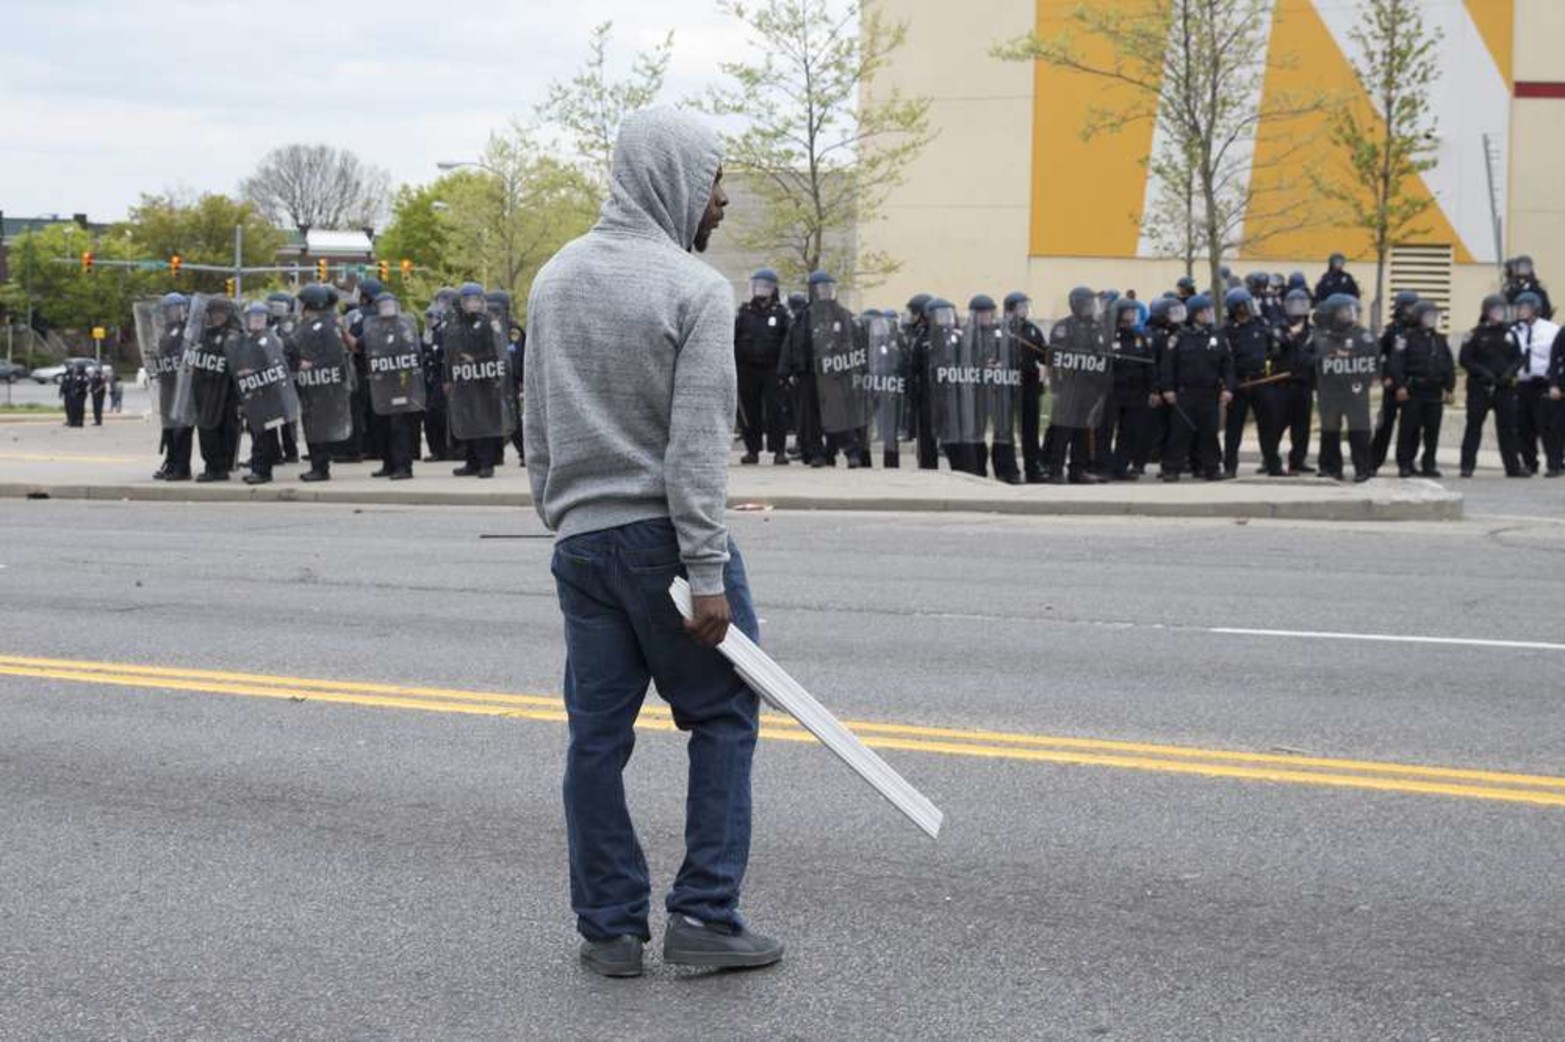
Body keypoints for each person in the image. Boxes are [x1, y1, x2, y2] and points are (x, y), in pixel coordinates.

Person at [524, 106, 781, 978]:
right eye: (713, 179)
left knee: (596, 738)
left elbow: (535, 421)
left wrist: (558, 514)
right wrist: (705, 569)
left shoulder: (555, 277)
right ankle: (705, 914)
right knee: (721, 717)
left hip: (582, 546)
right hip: (666, 548)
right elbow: (696, 448)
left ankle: (608, 930)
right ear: (674, 177)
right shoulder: (693, 288)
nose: (720, 198)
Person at [780, 271, 865, 467]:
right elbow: (791, 345)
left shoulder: (843, 316)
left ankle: (851, 452)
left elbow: (854, 341)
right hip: (810, 374)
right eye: (821, 289)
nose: (826, 293)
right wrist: (787, 372)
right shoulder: (803, 318)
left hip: (835, 373)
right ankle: (816, 453)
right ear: (812, 290)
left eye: (829, 288)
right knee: (811, 418)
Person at [1158, 294, 1232, 481]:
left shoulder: (1218, 336)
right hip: (1184, 392)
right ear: (1193, 314)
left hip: (1209, 392)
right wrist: (1168, 389)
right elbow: (1167, 365)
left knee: (1209, 432)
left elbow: (1228, 365)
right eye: (1204, 312)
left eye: (1209, 311)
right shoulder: (1179, 337)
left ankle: (1212, 468)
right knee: (1180, 432)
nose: (1208, 315)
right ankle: (1172, 468)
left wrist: (1228, 388)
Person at [1045, 286, 1113, 484]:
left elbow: (1104, 358)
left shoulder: (1099, 328)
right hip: (1069, 387)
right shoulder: (1064, 327)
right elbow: (1054, 359)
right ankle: (1055, 470)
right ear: (1077, 304)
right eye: (1089, 303)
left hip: (1090, 388)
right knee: (1063, 430)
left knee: (1083, 430)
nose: (1092, 307)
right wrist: (1056, 388)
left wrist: (1101, 387)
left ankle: (1078, 470)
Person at [446, 282, 513, 478]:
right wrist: (448, 377)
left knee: (485, 422)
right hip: (466, 379)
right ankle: (472, 461)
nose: (472, 304)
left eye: (476, 300)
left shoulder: (490, 323)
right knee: (469, 420)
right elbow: (451, 354)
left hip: (486, 379)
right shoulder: (458, 325)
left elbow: (498, 352)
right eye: (468, 300)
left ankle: (486, 463)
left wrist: (476, 359)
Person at [288, 284, 354, 483]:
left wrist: (312, 365)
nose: (301, 308)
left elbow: (334, 356)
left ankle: (320, 468)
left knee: (319, 426)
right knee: (311, 425)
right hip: (310, 384)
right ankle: (316, 465)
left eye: (304, 303)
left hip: (322, 385)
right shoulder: (311, 324)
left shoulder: (326, 326)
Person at [232, 301, 300, 486]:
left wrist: (252, 373)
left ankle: (263, 472)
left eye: (259, 318)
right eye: (252, 318)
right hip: (253, 394)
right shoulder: (247, 340)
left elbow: (275, 366)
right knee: (257, 433)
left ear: (267, 320)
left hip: (268, 394)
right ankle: (258, 467)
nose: (255, 322)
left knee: (265, 434)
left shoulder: (271, 340)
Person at [1313, 294, 1379, 482]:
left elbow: (1374, 362)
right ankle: (1330, 468)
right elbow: (1307, 359)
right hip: (1330, 391)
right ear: (1334, 313)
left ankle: (1363, 469)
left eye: (1353, 312)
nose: (1351, 315)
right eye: (1345, 311)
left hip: (1355, 391)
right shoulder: (1320, 336)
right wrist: (1328, 357)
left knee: (1359, 430)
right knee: (1329, 431)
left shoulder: (1363, 336)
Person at [1459, 295, 1526, 478]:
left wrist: (1509, 373)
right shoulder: (1475, 334)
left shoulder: (1510, 333)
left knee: (1508, 428)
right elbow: (1465, 359)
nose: (1500, 314)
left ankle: (1512, 467)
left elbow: (1519, 357)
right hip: (1480, 388)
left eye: (1503, 310)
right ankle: (1467, 466)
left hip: (1504, 387)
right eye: (1496, 310)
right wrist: (1483, 372)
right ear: (1486, 312)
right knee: (1474, 426)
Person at [1387, 300, 1455, 478]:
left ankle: (1429, 464)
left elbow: (1448, 364)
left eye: (1434, 316)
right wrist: (1400, 385)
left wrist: (1449, 388)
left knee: (1432, 431)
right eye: (1428, 316)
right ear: (1418, 317)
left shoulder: (1440, 339)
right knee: (1409, 429)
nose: (1432, 320)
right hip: (1414, 389)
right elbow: (1396, 363)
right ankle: (1405, 464)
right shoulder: (1405, 338)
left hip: (1434, 391)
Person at [1221, 287, 1285, 477]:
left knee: (1268, 427)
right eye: (1245, 305)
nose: (1250, 308)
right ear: (1236, 308)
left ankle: (1273, 465)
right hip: (1239, 385)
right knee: (1234, 429)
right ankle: (1230, 467)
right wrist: (1228, 385)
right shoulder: (1227, 331)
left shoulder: (1261, 325)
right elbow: (1226, 361)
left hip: (1261, 382)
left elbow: (1273, 351)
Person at [364, 291, 423, 481]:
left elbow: (413, 352)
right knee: (382, 427)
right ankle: (388, 464)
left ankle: (404, 467)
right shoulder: (374, 329)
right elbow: (360, 346)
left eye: (390, 304)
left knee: (400, 427)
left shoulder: (404, 327)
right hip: (382, 387)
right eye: (383, 305)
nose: (387, 309)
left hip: (402, 385)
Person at [733, 268, 790, 465]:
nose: (761, 290)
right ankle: (752, 450)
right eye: (758, 286)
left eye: (766, 286)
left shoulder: (781, 314)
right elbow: (734, 339)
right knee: (750, 411)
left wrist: (785, 369)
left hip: (772, 369)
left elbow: (787, 343)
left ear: (773, 289)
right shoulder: (744, 313)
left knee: (776, 411)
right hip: (748, 369)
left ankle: (779, 451)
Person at [1097, 297, 1155, 480]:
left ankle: (1121, 466)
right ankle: (1104, 466)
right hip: (1112, 391)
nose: (1133, 315)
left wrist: (1153, 389)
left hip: (1136, 392)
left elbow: (1149, 365)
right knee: (1106, 429)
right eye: (1129, 311)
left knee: (1131, 430)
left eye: (1134, 312)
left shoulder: (1139, 337)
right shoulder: (1107, 336)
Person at [1510, 291, 1563, 477]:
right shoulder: (1514, 330)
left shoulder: (1551, 330)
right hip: (1522, 383)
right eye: (1518, 308)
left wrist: (1555, 382)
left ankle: (1554, 464)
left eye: (1524, 307)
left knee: (1547, 426)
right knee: (1523, 426)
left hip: (1543, 383)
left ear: (1535, 309)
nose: (1520, 311)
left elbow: (1557, 357)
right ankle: (1529, 463)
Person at [189, 296, 242, 482]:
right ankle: (211, 465)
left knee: (226, 430)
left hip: (226, 392)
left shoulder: (234, 336)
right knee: (206, 429)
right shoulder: (203, 335)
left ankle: (221, 468)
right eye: (214, 313)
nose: (218, 316)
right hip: (205, 391)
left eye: (222, 313)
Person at [1369, 291, 1421, 473]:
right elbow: (1378, 356)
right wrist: (1385, 378)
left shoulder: (1418, 331)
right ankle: (1373, 463)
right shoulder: (1390, 330)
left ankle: (1406, 463)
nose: (1412, 311)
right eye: (1409, 307)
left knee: (1411, 427)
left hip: (1412, 385)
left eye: (1415, 307)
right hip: (1392, 384)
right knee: (1384, 425)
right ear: (1400, 308)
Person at [1003, 292, 1048, 483]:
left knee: (1030, 429)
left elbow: (1044, 357)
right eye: (1021, 306)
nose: (1025, 310)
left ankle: (1033, 468)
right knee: (1006, 430)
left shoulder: (1032, 330)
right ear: (1011, 309)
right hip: (1007, 385)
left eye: (1025, 306)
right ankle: (1009, 469)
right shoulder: (1002, 330)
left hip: (1029, 385)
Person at [1277, 288, 1317, 474]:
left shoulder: (1313, 331)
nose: (1299, 309)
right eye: (1295, 304)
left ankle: (1298, 460)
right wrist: (1290, 334)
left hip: (1304, 384)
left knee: (1302, 427)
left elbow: (1316, 355)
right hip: (1283, 384)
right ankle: (1270, 460)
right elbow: (1275, 350)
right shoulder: (1279, 327)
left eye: (1303, 304)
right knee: (1277, 425)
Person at [902, 293, 939, 470]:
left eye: (914, 313)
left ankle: (929, 467)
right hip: (919, 393)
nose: (911, 317)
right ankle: (925, 465)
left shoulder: (930, 335)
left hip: (930, 393)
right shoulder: (918, 333)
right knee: (923, 436)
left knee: (928, 435)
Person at [421, 287, 456, 461]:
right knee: (432, 414)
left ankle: (448, 449)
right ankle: (437, 449)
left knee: (441, 414)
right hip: (432, 377)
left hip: (446, 376)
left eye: (443, 300)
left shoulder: (452, 325)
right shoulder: (434, 330)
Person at [266, 291, 301, 463]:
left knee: (289, 417)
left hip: (289, 376)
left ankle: (291, 451)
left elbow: (292, 347)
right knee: (271, 415)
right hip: (270, 376)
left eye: (277, 307)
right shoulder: (267, 325)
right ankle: (273, 452)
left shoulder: (291, 325)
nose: (272, 310)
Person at [1504, 256, 1553, 321]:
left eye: (1526, 266)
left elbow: (1545, 306)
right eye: (1521, 266)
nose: (1524, 269)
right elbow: (1507, 304)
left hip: (1536, 319)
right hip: (1517, 319)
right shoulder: (1511, 285)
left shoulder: (1537, 285)